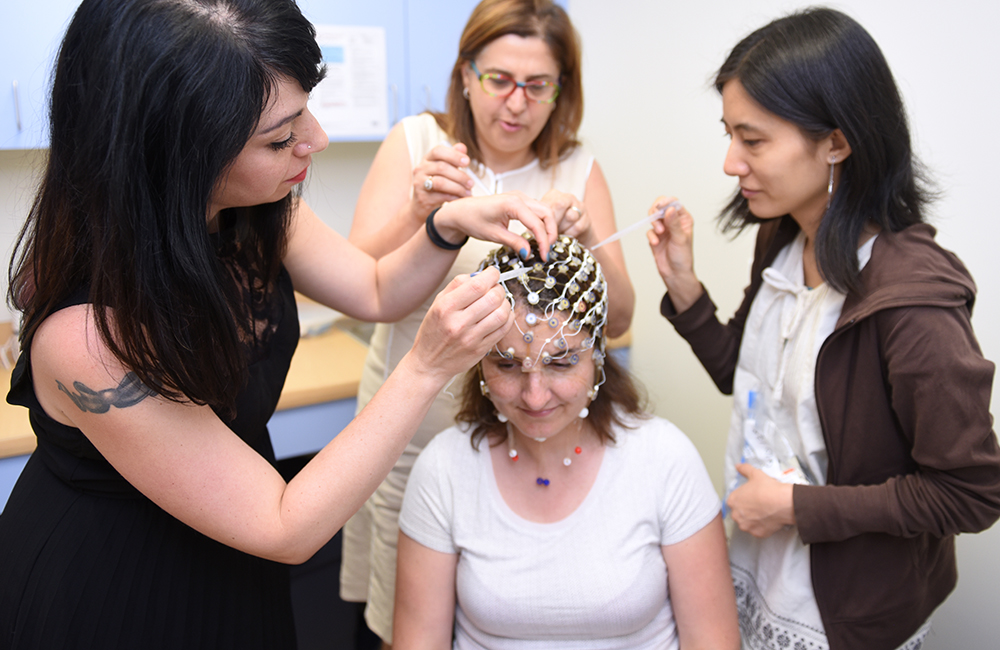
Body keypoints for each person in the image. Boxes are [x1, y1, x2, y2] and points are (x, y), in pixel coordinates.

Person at [0, 0, 559, 647]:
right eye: (279, 136)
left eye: (306, 112)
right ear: (179, 156)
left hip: (237, 561)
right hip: (115, 585)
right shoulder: (88, 338)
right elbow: (284, 524)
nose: (315, 141)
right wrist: (426, 365)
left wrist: (447, 223)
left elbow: (375, 288)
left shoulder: (256, 213)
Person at [647, 7, 1000, 650]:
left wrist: (797, 509)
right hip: (758, 567)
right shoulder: (784, 240)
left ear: (836, 142)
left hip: (845, 615)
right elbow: (747, 377)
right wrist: (684, 287)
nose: (730, 163)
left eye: (753, 141)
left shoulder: (913, 304)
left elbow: (970, 493)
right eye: (728, 135)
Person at [340, 0, 634, 642]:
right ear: (466, 74)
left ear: (562, 92)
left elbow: (622, 317)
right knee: (404, 621)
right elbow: (356, 279)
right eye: (499, 79)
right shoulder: (421, 144)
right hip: (413, 432)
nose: (516, 103)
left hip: (527, 442)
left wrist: (586, 242)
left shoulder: (577, 171)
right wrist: (420, 212)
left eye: (538, 86)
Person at [392, 235, 739, 650]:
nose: (535, 396)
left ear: (597, 354)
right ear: (478, 361)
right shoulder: (443, 469)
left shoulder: (665, 459)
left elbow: (714, 641)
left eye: (561, 362)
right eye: (506, 364)